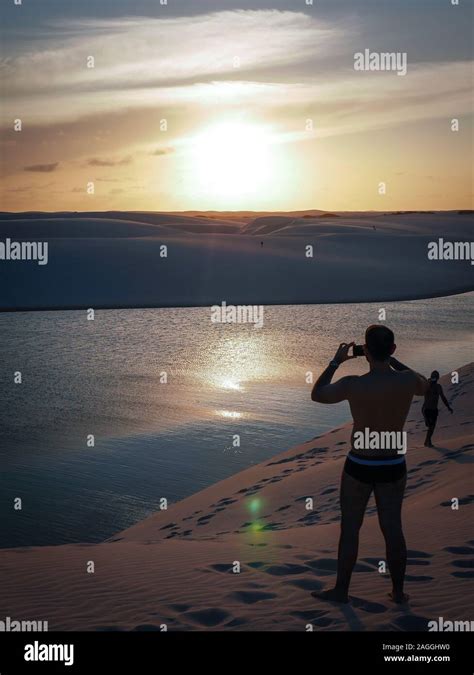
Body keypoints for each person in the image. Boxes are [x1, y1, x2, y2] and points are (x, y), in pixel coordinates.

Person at [310, 325, 428, 604]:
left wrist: (335, 361)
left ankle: (341, 591)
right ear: (393, 350)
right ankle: (398, 592)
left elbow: (318, 394)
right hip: (392, 464)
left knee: (351, 528)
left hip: (360, 464)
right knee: (393, 528)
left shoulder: (354, 384)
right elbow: (426, 385)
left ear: (365, 353)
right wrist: (395, 362)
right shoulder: (408, 380)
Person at [422, 370, 453, 447]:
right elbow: (420, 390)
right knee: (430, 426)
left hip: (434, 410)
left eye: (436, 377)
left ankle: (427, 441)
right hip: (427, 409)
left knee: (432, 427)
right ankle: (427, 441)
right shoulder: (427, 385)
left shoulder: (438, 387)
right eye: (433, 377)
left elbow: (443, 397)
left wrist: (448, 407)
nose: (434, 378)